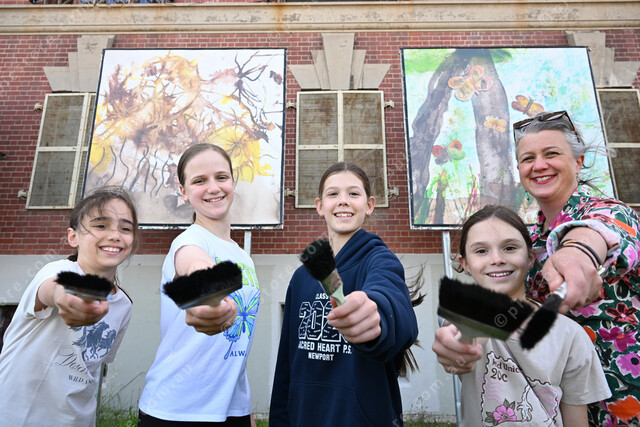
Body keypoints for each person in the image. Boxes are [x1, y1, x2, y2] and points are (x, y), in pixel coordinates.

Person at [433, 111, 640, 425]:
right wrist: (459, 334)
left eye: (551, 153)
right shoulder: (527, 241)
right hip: (554, 404)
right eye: (528, 158)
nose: (539, 165)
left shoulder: (612, 211)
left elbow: (601, 231)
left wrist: (579, 252)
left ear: (579, 161)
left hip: (624, 400)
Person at [269, 162, 419, 426]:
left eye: (353, 193)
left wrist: (377, 313)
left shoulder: (380, 261)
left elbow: (394, 306)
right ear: (319, 206)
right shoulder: (302, 277)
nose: (343, 201)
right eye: (333, 194)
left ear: (369, 205)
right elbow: (286, 367)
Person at [453, 205, 610, 425]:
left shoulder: (570, 335)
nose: (496, 259)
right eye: (481, 251)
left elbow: (576, 419)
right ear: (465, 264)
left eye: (509, 248)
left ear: (530, 257)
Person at [138, 143, 260, 426]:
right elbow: (194, 266)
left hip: (232, 410)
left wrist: (247, 413)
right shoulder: (188, 242)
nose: (213, 188)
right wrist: (205, 293)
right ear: (183, 191)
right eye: (199, 181)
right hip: (175, 411)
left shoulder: (244, 257)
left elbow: (236, 348)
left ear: (233, 182)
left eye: (221, 177)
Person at [0, 186, 140, 425]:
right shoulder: (57, 270)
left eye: (126, 228)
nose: (115, 235)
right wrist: (67, 297)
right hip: (17, 416)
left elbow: (91, 367)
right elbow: (54, 288)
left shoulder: (123, 305)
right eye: (100, 225)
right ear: (73, 237)